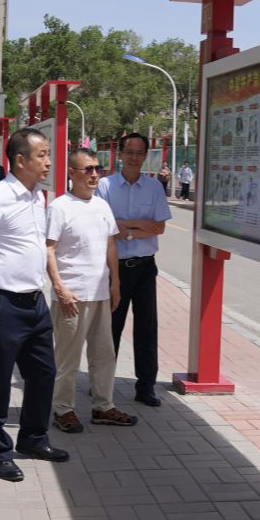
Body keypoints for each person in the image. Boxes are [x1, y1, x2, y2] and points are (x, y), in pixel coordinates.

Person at [0, 128, 69, 482]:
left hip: (35, 302)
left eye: (48, 154)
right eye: (42, 155)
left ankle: (33, 438)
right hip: (4, 303)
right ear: (20, 160)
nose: (48, 162)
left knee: (43, 373)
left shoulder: (37, 197)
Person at [47, 148, 136, 433]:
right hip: (72, 296)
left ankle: (103, 406)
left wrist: (115, 283)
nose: (94, 175)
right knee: (68, 359)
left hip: (100, 294)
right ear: (72, 173)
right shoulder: (59, 207)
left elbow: (111, 245)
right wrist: (59, 288)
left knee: (104, 355)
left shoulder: (102, 206)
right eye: (88, 169)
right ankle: (63, 410)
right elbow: (48, 250)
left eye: (98, 169)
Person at [96, 132, 172, 406]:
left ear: (145, 156)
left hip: (144, 268)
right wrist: (139, 226)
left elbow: (159, 227)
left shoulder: (154, 188)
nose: (134, 158)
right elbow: (104, 228)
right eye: (129, 152)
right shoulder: (105, 186)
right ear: (120, 154)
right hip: (114, 269)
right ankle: (102, 385)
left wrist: (124, 227)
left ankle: (146, 386)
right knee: (110, 329)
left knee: (146, 328)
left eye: (140, 153)